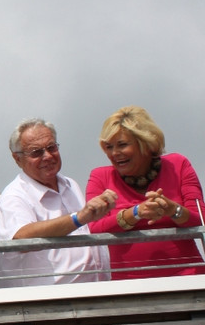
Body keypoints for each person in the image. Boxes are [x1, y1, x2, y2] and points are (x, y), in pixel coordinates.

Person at [85, 106, 205, 279]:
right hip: (130, 286)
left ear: (146, 144)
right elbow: (95, 227)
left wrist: (173, 210)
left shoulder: (178, 164)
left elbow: (201, 218)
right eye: (109, 147)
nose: (114, 153)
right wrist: (135, 213)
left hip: (188, 279)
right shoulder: (100, 176)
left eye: (122, 145)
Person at [0, 118, 116, 287]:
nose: (48, 156)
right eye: (36, 152)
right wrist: (78, 218)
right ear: (17, 159)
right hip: (47, 303)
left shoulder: (70, 184)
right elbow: (20, 237)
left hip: (93, 293)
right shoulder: (14, 195)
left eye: (51, 148)